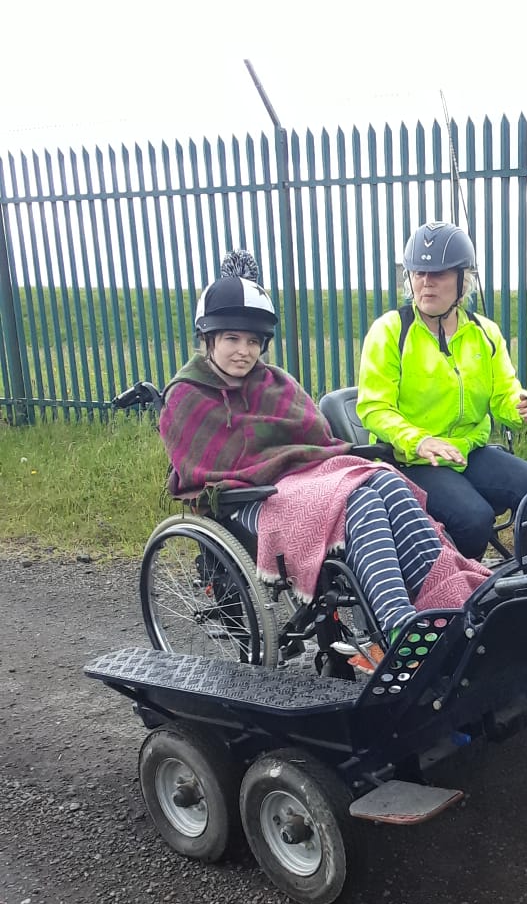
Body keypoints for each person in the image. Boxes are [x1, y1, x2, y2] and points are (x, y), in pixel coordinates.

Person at [158, 250, 490, 644]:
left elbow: (315, 440)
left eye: (253, 341)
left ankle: (447, 599)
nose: (244, 351)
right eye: (232, 339)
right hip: (248, 497)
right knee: (359, 502)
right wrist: (290, 471)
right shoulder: (186, 395)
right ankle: (396, 628)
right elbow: (204, 466)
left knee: (389, 482)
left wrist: (327, 465)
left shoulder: (276, 383)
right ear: (208, 339)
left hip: (307, 478)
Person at [356, 221, 527, 560]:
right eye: (419, 273)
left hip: (469, 450)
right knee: (473, 517)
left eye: (438, 274)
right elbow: (374, 407)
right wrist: (419, 440)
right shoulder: (390, 331)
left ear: (462, 280)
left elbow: (503, 393)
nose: (426, 282)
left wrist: (522, 406)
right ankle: (454, 602)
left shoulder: (484, 332)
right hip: (412, 460)